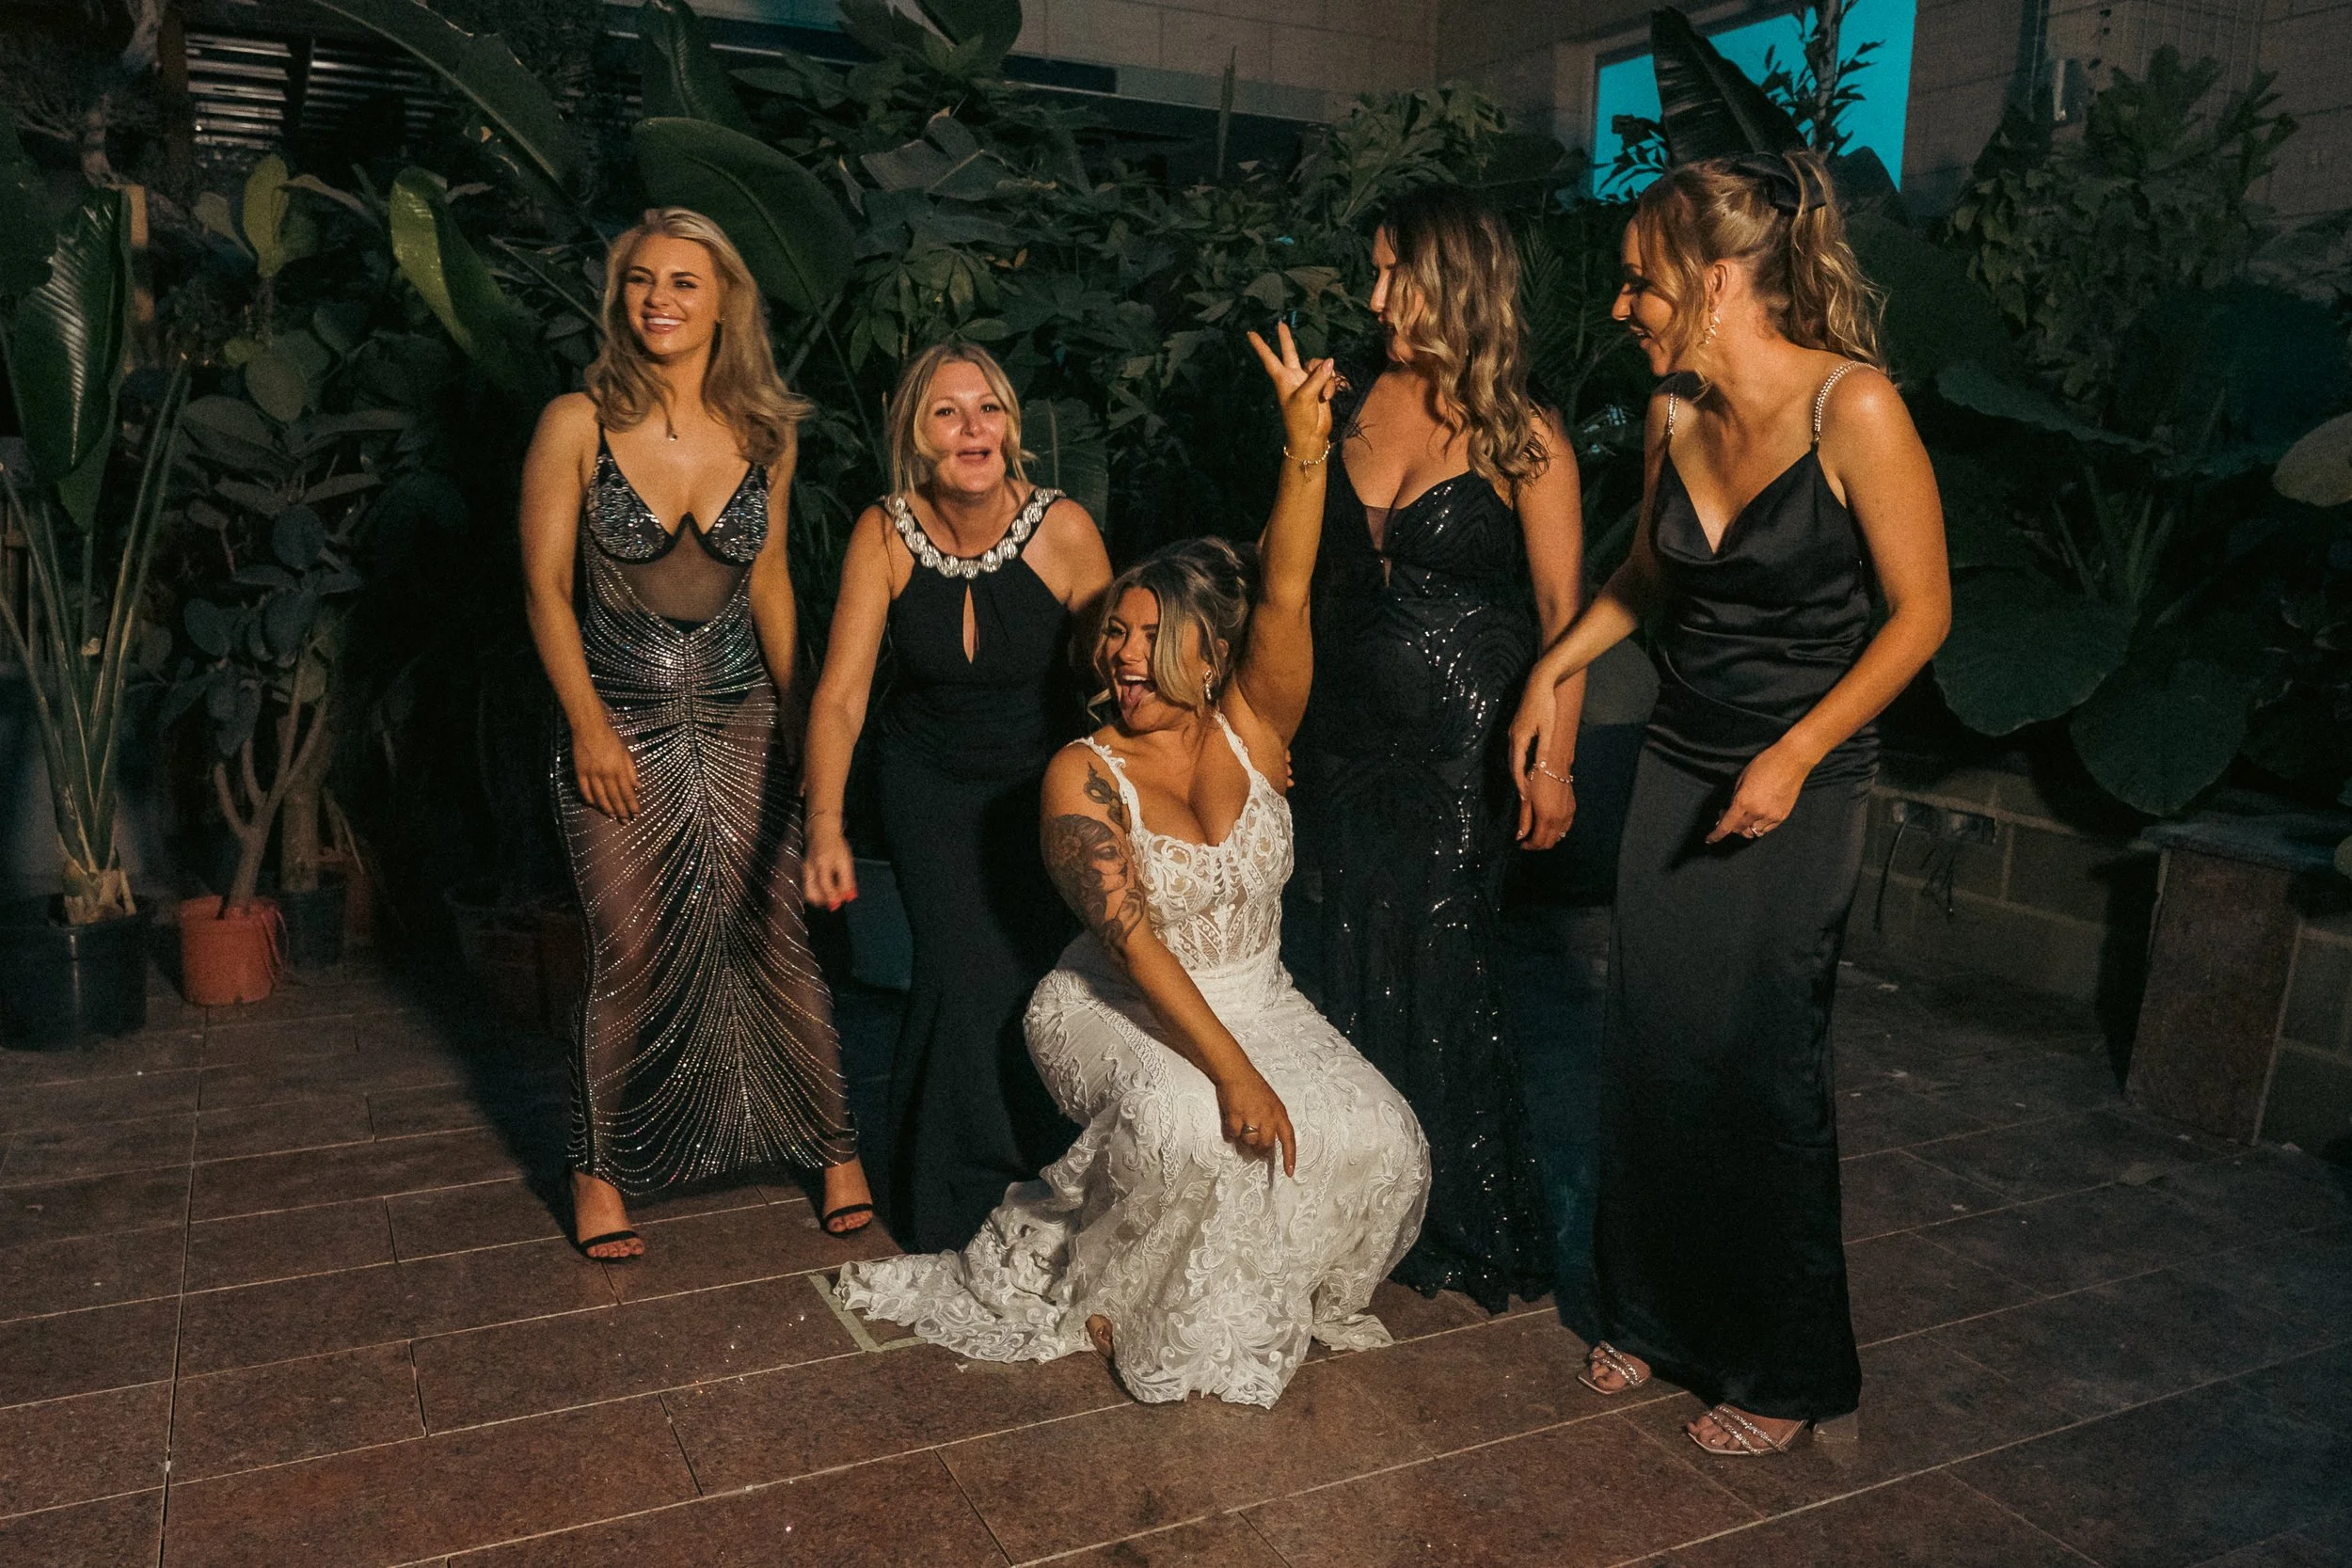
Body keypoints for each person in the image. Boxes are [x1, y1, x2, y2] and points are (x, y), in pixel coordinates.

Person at [837, 324, 1429, 1407]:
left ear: (1211, 655)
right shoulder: (1080, 773)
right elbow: (1130, 939)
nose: (1118, 651)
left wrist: (1306, 449)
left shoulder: (1256, 721)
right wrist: (1235, 1073)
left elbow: (1287, 590)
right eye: (1112, 633)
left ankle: (1270, 1276)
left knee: (1382, 1134)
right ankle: (1106, 1288)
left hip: (1260, 994)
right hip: (1114, 991)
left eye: (1148, 634)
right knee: (1186, 1124)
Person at [1507, 151, 1950, 1455]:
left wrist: (1798, 750)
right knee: (1651, 1040)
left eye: (1639, 283)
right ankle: (1651, 1311)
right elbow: (1648, 576)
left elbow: (1923, 613)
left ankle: (1785, 1363)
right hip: (1684, 756)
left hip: (1802, 772)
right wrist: (1557, 662)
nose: (1622, 309)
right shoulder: (1674, 413)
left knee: (1762, 1064)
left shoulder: (1851, 408)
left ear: (1712, 282)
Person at [519, 208, 873, 1260]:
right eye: (640, 281)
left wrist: (805, 723)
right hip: (616, 719)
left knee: (775, 935)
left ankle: (835, 1147)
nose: (658, 300)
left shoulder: (768, 433)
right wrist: (586, 722)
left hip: (742, 720)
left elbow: (769, 585)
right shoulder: (574, 422)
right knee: (627, 946)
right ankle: (597, 1166)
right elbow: (542, 588)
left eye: (682, 281)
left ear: (726, 301)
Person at [1287, 183, 1584, 1311]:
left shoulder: (1523, 428)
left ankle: (1461, 1213)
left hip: (1464, 741)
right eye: (1371, 272)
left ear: (1453, 275)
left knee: (1442, 960)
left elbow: (1565, 611)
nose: (1372, 298)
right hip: (1341, 730)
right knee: (1342, 949)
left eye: (1391, 273)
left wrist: (1549, 755)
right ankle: (1356, 1202)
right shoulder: (1346, 395)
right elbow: (1290, 572)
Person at [803, 343, 1113, 1253]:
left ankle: (1053, 1177)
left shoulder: (1064, 530)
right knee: (955, 974)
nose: (973, 427)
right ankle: (958, 1194)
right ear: (915, 435)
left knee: (1035, 976)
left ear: (1011, 428)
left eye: (988, 409)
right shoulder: (885, 532)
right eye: (948, 412)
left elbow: (1125, 672)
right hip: (927, 786)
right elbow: (842, 693)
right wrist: (824, 823)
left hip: (1039, 787)